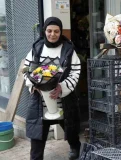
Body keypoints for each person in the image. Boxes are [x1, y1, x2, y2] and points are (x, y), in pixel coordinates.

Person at [23, 17, 81, 160]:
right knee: (37, 138)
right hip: (40, 102)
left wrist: (62, 87)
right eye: (49, 31)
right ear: (44, 31)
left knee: (70, 129)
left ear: (60, 32)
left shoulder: (68, 49)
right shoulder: (37, 48)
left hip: (63, 100)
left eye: (56, 31)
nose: (52, 34)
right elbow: (27, 70)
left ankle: (75, 147)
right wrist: (34, 85)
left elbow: (75, 71)